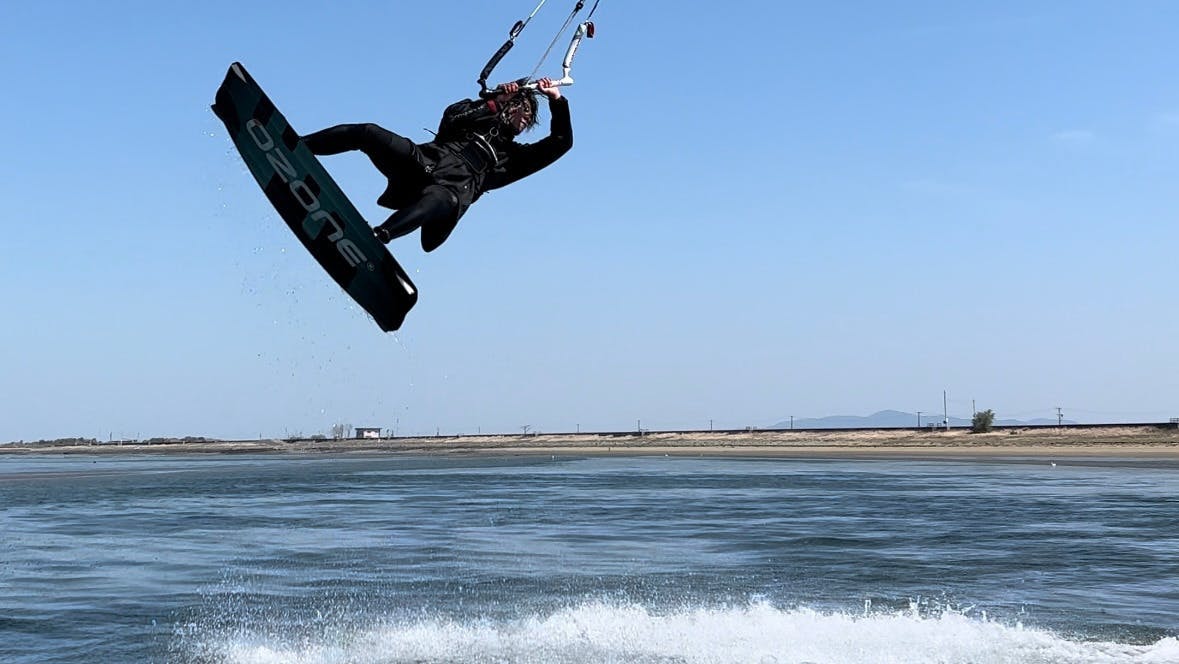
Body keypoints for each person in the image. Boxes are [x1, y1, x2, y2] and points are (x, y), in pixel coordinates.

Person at [301, 78, 572, 252]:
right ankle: (299, 145)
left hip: (449, 196)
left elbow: (561, 142)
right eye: (522, 108)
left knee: (437, 196)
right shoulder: (473, 118)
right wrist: (492, 103)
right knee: (368, 132)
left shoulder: (513, 159)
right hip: (423, 164)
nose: (526, 117)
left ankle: (379, 236)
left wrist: (557, 100)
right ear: (507, 106)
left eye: (530, 115)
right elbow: (451, 117)